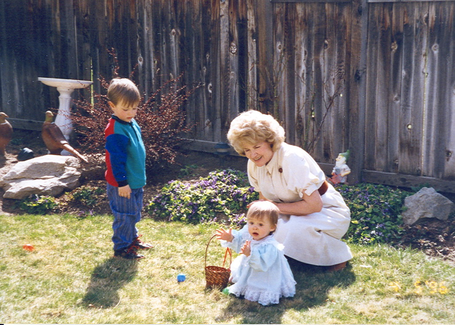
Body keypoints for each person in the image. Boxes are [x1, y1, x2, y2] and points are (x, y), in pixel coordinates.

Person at [227, 110, 352, 271]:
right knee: (258, 228)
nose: (253, 154)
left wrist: (271, 208)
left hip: (327, 212)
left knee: (288, 228)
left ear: (270, 141)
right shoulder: (254, 163)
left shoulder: (291, 158)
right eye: (247, 150)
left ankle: (336, 258)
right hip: (291, 211)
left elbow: (315, 205)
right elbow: (265, 201)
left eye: (257, 146)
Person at [105, 78, 152, 259]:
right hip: (123, 184)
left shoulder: (131, 122)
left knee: (133, 212)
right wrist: (122, 182)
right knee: (124, 215)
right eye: (125, 109)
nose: (131, 112)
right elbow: (115, 160)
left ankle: (132, 240)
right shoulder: (115, 130)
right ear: (112, 106)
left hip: (134, 181)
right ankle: (122, 248)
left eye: (134, 108)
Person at [216, 200, 296, 306]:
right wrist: (231, 238)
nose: (254, 227)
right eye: (251, 223)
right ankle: (241, 285)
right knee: (244, 274)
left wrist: (250, 254)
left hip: (265, 274)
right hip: (250, 268)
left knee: (259, 284)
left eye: (260, 224)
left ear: (272, 227)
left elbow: (263, 265)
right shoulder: (249, 235)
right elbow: (240, 240)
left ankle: (257, 293)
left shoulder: (270, 246)